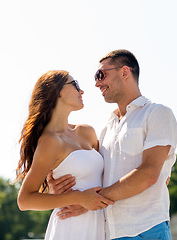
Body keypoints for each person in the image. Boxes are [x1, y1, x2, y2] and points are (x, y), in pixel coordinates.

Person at [48, 50, 177, 240]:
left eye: (101, 75)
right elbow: (94, 175)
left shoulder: (158, 113)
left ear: (124, 72)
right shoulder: (105, 129)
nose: (97, 83)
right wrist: (57, 191)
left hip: (147, 229)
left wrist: (89, 201)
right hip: (109, 233)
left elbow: (149, 174)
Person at [15, 70, 114, 240]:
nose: (81, 91)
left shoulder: (86, 132)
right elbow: (24, 200)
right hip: (70, 228)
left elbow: (108, 175)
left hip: (100, 225)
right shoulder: (49, 142)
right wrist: (76, 198)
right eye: (75, 85)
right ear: (57, 90)